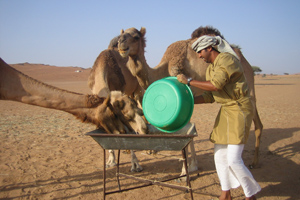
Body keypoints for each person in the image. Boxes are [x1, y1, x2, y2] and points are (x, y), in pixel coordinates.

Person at [177, 35, 261, 200]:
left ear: (210, 48)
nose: (199, 56)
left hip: (239, 109)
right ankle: (225, 193)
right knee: (219, 156)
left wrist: (189, 82)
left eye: (200, 52)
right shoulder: (211, 68)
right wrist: (187, 101)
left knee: (234, 159)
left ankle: (251, 194)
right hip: (226, 111)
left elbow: (216, 85)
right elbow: (210, 96)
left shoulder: (227, 60)